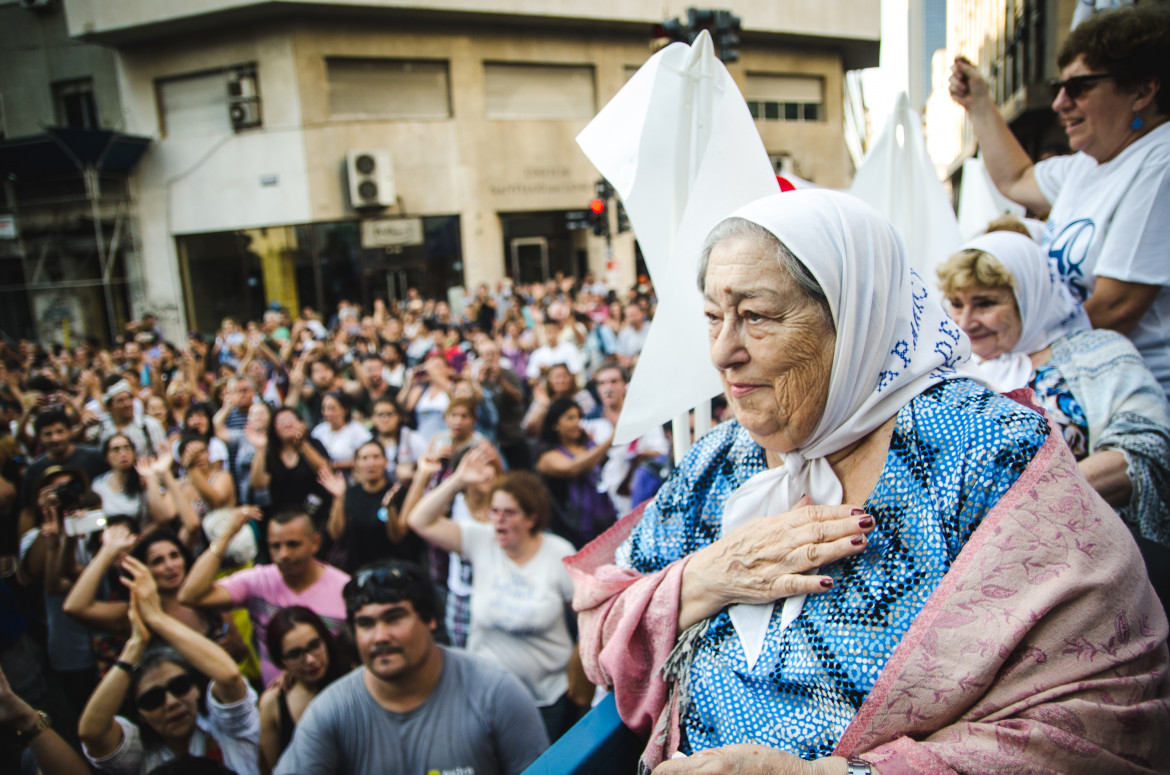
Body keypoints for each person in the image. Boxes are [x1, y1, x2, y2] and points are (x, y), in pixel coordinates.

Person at [569, 190, 1169, 773]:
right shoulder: (720, 459)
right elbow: (599, 625)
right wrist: (709, 576)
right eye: (711, 317)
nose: (723, 352)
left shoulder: (989, 452)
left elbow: (1102, 715)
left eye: (755, 316)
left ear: (855, 316)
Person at [949, 4, 1170, 396]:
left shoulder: (1161, 160)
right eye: (1058, 87)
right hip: (1070, 380)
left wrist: (1020, 358)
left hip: (1131, 402)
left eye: (1079, 87)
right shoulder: (1090, 163)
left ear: (1143, 91)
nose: (1060, 103)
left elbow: (1117, 307)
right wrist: (979, 104)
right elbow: (1017, 178)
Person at [937, 229, 1170, 547]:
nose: (965, 321)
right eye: (956, 303)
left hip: (1094, 547)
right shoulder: (953, 374)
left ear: (1029, 296)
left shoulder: (1099, 352)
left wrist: (1030, 502)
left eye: (985, 303)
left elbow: (1145, 450)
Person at [273, 560, 548, 775]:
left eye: (394, 618)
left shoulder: (496, 694)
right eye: (366, 624)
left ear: (430, 620)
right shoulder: (331, 713)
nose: (379, 636)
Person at [407, 450, 585, 741]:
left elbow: (586, 616)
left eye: (509, 512)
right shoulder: (482, 541)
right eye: (494, 511)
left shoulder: (559, 553)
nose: (498, 521)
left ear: (531, 518)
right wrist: (457, 481)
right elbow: (419, 520)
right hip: (485, 694)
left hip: (547, 698)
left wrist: (580, 670)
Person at [78, 555, 260, 775]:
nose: (171, 702)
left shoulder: (228, 729)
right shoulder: (140, 757)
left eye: (180, 685)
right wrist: (135, 645)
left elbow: (230, 676)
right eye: (152, 699)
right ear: (139, 714)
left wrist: (156, 618)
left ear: (196, 690)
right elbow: (92, 733)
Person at [178, 507, 350, 685]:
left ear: (315, 543)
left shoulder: (344, 589)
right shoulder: (257, 581)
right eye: (275, 546)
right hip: (276, 706)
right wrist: (226, 535)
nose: (283, 554)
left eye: (293, 544)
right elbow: (191, 595)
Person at [258, 606, 349, 774]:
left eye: (314, 645)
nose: (309, 659)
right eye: (295, 654)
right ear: (281, 661)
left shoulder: (353, 682)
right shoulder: (273, 704)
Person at [320, 441, 424, 574]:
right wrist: (338, 498)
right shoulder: (349, 494)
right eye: (364, 458)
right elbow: (336, 534)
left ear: (385, 461)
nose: (371, 463)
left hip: (391, 571)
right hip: (357, 570)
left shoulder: (399, 493)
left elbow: (398, 537)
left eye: (376, 457)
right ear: (356, 463)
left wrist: (390, 508)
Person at [536, 398, 616, 549]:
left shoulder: (587, 443)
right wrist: (609, 441)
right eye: (570, 418)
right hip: (570, 526)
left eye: (578, 417)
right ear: (555, 424)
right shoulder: (545, 454)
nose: (577, 422)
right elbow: (573, 468)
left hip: (602, 518)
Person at [310, 392, 371, 476]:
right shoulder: (318, 430)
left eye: (332, 408)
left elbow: (368, 456)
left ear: (344, 410)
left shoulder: (357, 430)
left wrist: (336, 465)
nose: (327, 413)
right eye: (324, 408)